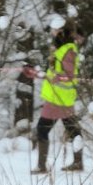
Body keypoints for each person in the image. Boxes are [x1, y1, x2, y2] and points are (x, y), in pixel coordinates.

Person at [33, 19, 83, 174]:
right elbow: (57, 71)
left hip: (58, 98)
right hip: (61, 97)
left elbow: (69, 75)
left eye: (54, 30)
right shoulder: (62, 48)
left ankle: (42, 166)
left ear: (61, 31)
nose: (52, 33)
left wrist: (56, 78)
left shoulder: (68, 50)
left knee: (42, 128)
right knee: (73, 129)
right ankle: (77, 162)